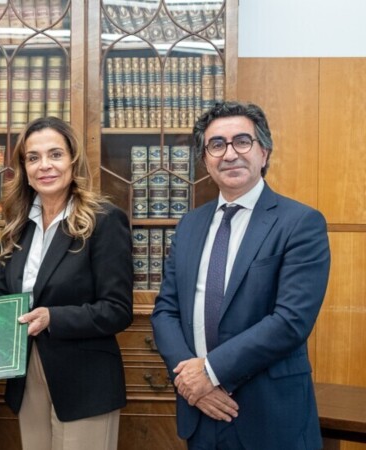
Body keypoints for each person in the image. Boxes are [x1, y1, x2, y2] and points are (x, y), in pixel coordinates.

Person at [150, 101, 331, 449]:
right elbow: (165, 311)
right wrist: (191, 380)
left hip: (269, 415)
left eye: (242, 141)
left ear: (264, 152)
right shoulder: (190, 225)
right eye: (217, 145)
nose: (230, 154)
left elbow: (290, 321)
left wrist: (210, 372)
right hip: (200, 410)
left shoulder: (300, 223)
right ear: (205, 160)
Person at [0, 117, 133, 450]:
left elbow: (117, 309)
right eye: (33, 157)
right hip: (26, 371)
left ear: (73, 160)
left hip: (85, 381)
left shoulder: (104, 220)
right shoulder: (19, 223)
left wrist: (52, 317)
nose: (44, 165)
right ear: (24, 168)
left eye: (55, 154)